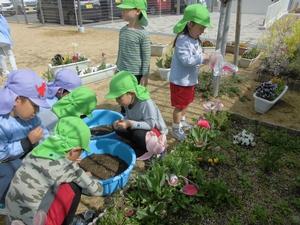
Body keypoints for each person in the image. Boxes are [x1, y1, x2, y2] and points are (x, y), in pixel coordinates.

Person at [5, 116, 103, 225]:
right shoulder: (67, 166)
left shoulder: (37, 150)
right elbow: (97, 190)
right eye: (81, 151)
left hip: (11, 217)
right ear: (73, 150)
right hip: (35, 221)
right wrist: (85, 176)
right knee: (73, 187)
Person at [0, 69, 50, 208]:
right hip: (4, 160)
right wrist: (26, 143)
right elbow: (2, 154)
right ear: (17, 100)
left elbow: (44, 134)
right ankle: (5, 200)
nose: (37, 111)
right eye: (34, 106)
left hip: (20, 153)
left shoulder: (29, 118)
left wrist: (57, 149)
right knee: (11, 171)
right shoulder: (2, 123)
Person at [169, 4, 211, 141]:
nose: (203, 31)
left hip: (189, 80)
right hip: (180, 81)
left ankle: (182, 122)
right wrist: (201, 58)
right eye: (201, 28)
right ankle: (175, 128)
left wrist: (206, 58)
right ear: (190, 24)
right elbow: (186, 60)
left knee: (186, 104)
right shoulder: (182, 40)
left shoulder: (195, 40)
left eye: (204, 28)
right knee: (179, 107)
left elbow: (197, 56)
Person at [105, 71, 168, 159]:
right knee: (118, 128)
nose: (117, 101)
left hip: (154, 131)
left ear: (131, 93)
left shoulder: (145, 103)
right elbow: (129, 116)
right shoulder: (128, 102)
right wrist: (122, 121)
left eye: (119, 98)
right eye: (116, 98)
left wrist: (130, 123)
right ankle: (136, 144)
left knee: (137, 134)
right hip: (138, 126)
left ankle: (154, 150)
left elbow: (150, 125)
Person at [116, 0, 151, 86]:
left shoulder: (143, 34)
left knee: (135, 97)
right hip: (122, 71)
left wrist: (144, 75)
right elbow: (120, 51)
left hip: (136, 74)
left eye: (126, 9)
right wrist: (117, 67)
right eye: (122, 10)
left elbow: (146, 56)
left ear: (138, 11)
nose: (122, 12)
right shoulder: (122, 30)